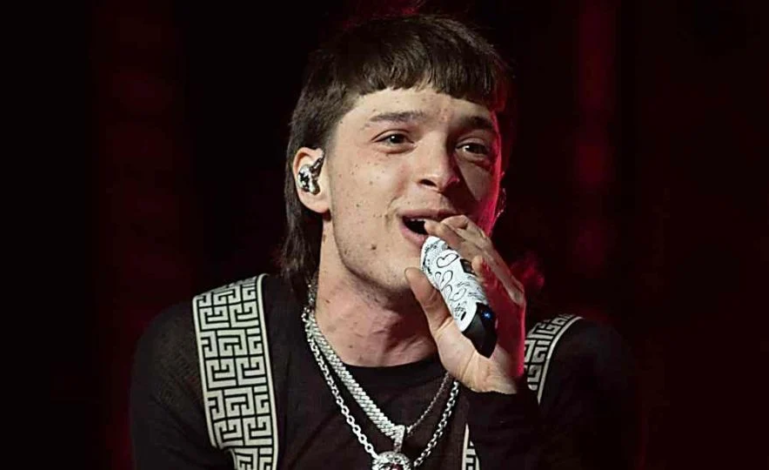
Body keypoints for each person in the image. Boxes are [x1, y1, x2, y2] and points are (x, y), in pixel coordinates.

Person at [130, 13, 641, 470]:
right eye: (395, 138)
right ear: (313, 179)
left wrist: (500, 397)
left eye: (473, 148)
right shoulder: (205, 355)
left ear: (497, 203)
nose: (441, 172)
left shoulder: (572, 366)